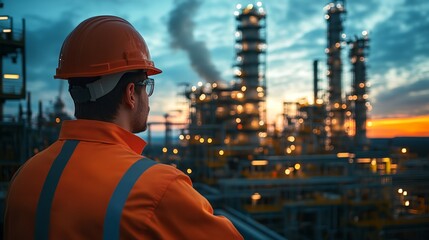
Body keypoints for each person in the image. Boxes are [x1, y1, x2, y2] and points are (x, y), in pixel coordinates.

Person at [4, 15, 243, 239]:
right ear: (131, 93)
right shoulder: (157, 187)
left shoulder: (24, 177)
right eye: (147, 85)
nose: (148, 98)